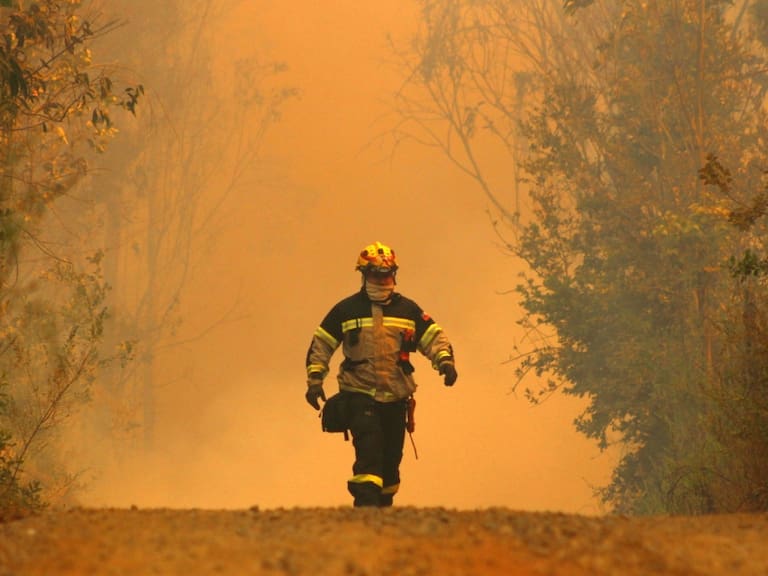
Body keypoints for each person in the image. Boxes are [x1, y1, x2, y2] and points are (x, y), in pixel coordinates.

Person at [304, 241, 458, 507]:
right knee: (369, 453)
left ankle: (383, 516)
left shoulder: (408, 310)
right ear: (365, 275)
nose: (383, 279)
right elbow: (321, 344)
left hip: (396, 398)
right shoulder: (346, 310)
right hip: (359, 395)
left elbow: (433, 337)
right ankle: (365, 512)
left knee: (391, 463)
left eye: (387, 274)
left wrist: (445, 362)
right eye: (377, 274)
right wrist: (315, 381)